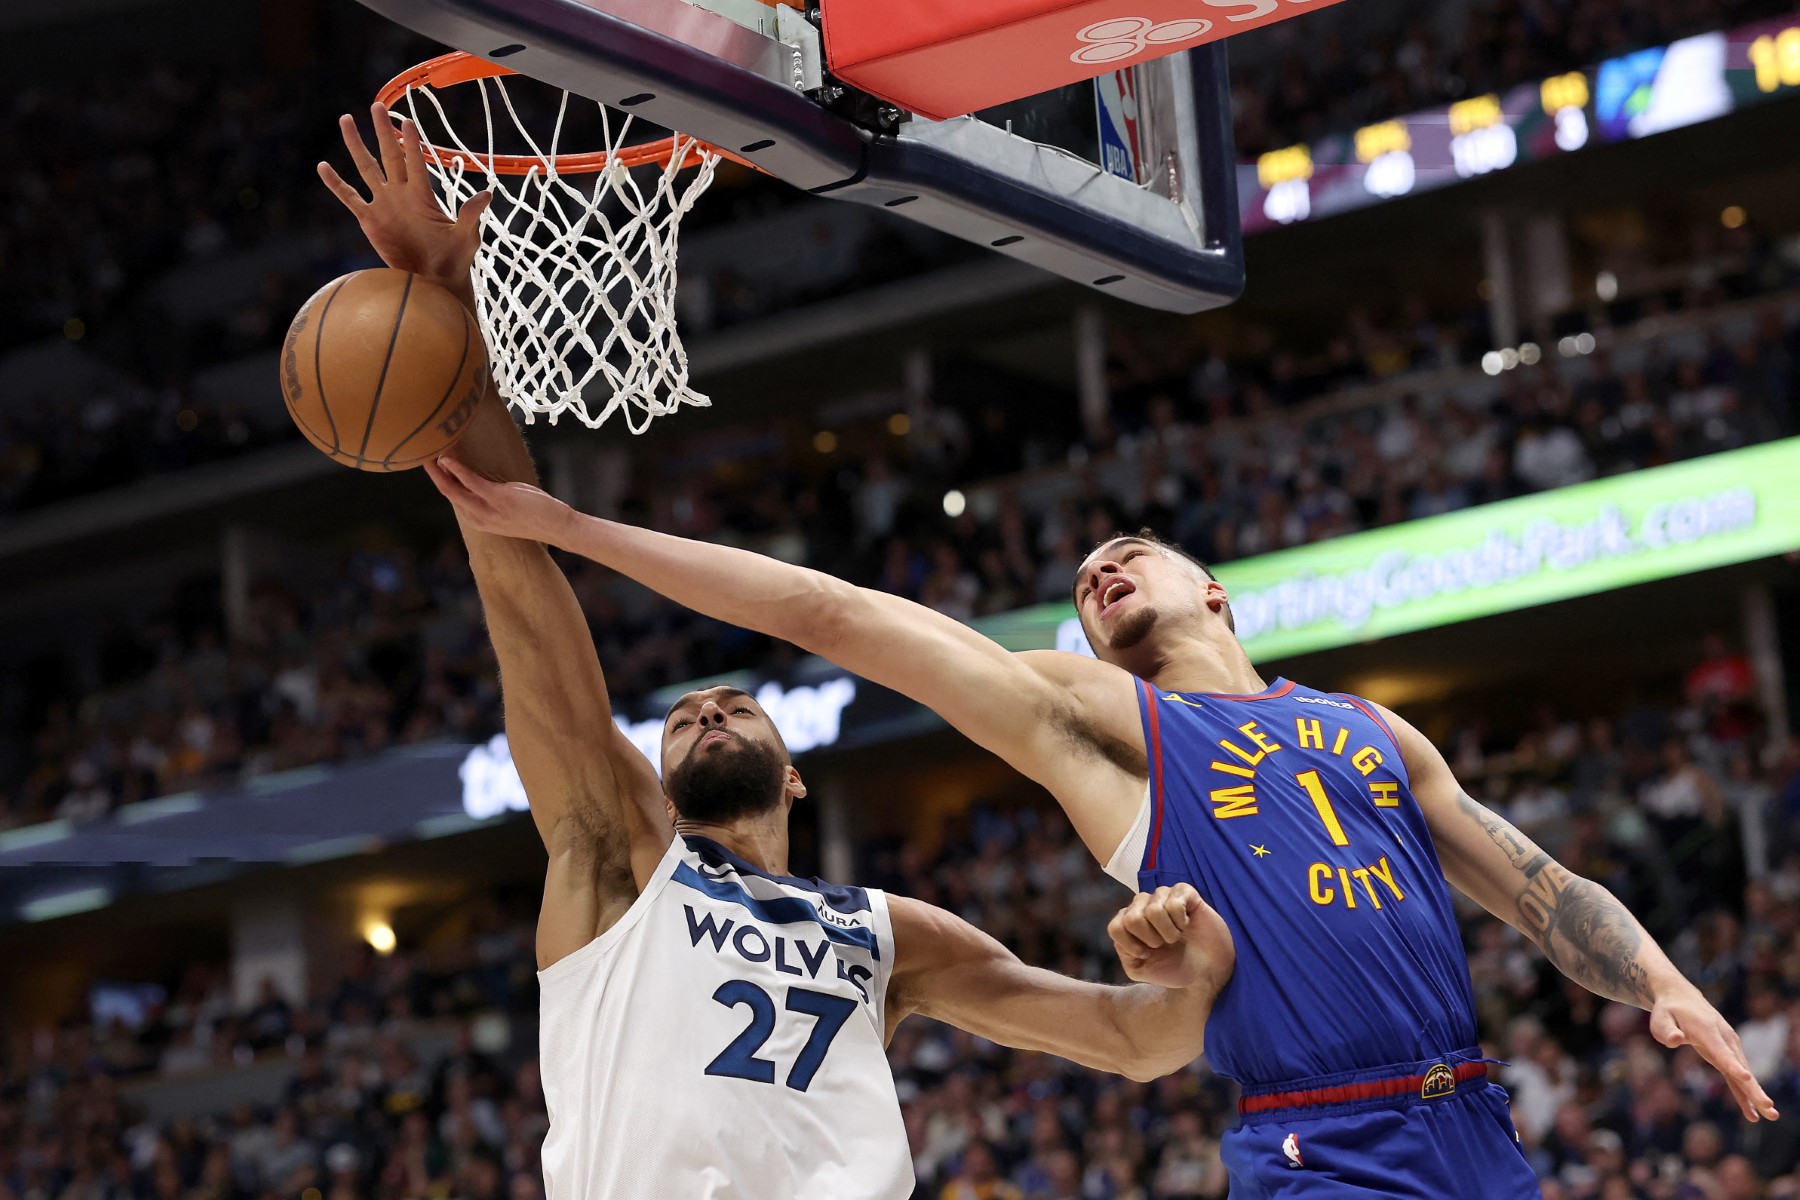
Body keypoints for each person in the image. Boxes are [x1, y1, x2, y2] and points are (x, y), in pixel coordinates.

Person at [319, 106, 1235, 1200]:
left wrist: (1187, 987)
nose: (707, 706)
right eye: (685, 718)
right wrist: (447, 317)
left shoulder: (886, 931)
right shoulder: (621, 867)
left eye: (734, 705)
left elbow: (1129, 1040)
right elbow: (522, 591)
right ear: (656, 779)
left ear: (794, 770)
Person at [428, 477, 1782, 1190]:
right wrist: (568, 529)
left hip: (1474, 1119)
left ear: (1215, 591)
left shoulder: (1376, 732)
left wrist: (1666, 986)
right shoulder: (1100, 721)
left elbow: (1541, 888)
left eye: (1127, 552)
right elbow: (837, 618)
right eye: (1083, 584)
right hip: (1326, 1139)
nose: (1098, 573)